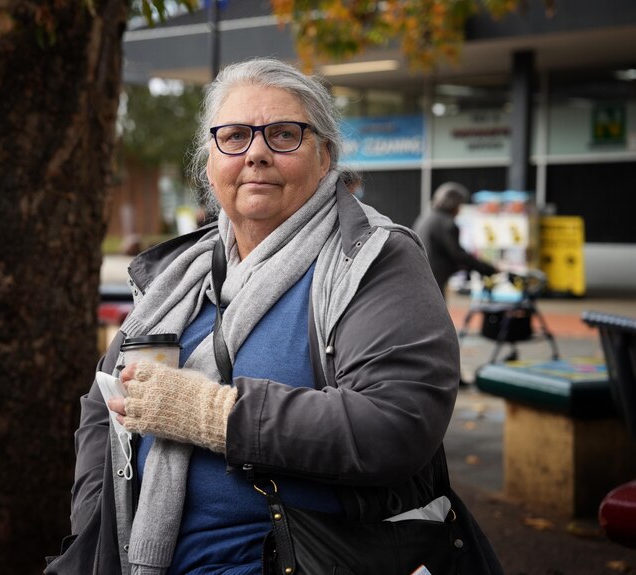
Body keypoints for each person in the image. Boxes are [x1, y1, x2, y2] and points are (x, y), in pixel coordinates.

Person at [45, 59, 502, 575]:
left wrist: (212, 414)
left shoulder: (374, 259)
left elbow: (396, 424)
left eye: (284, 134)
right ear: (209, 162)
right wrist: (93, 527)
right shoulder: (179, 276)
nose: (257, 152)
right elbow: (103, 402)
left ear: (325, 156)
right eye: (235, 136)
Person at [413, 182, 498, 297]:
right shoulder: (447, 223)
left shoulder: (426, 218)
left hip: (420, 274)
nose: (460, 210)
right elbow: (458, 255)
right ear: (454, 204)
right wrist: (488, 269)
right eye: (460, 205)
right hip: (436, 278)